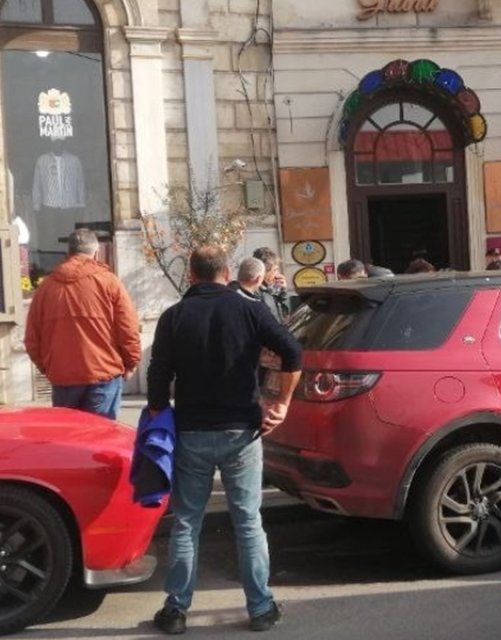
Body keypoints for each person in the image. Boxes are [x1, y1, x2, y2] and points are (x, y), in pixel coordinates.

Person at [147, 246, 303, 635]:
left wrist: (157, 418)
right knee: (248, 521)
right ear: (226, 272)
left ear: (191, 274)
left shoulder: (174, 317)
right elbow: (292, 351)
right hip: (242, 431)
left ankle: (177, 609)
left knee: (186, 522)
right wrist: (281, 403)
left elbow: (157, 376)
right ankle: (261, 608)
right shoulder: (249, 309)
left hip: (192, 431)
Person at [25, 228, 140, 419]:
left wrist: (48, 367)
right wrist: (131, 362)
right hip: (104, 373)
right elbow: (128, 328)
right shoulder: (109, 282)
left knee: (69, 442)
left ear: (68, 253)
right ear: (96, 252)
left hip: (63, 378)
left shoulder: (46, 287)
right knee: (101, 439)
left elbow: (32, 339)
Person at [252, 247, 291, 321]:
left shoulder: (270, 289)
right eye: (275, 270)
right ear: (263, 272)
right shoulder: (255, 293)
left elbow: (284, 318)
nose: (277, 275)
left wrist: (282, 294)